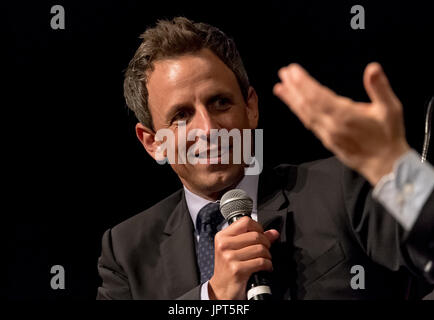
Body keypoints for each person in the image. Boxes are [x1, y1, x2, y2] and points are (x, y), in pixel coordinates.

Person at [96, 17, 434, 300]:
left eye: (220, 103)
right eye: (182, 115)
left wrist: (393, 166)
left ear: (251, 107)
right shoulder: (126, 252)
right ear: (153, 142)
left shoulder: (340, 189)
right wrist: (211, 297)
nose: (209, 128)